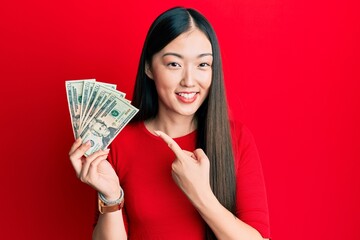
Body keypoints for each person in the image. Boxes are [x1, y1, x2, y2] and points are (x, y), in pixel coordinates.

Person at [69, 6, 270, 240]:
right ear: (149, 68)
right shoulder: (119, 142)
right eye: (174, 64)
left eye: (203, 65)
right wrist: (111, 197)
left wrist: (200, 194)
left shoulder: (237, 139)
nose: (189, 80)